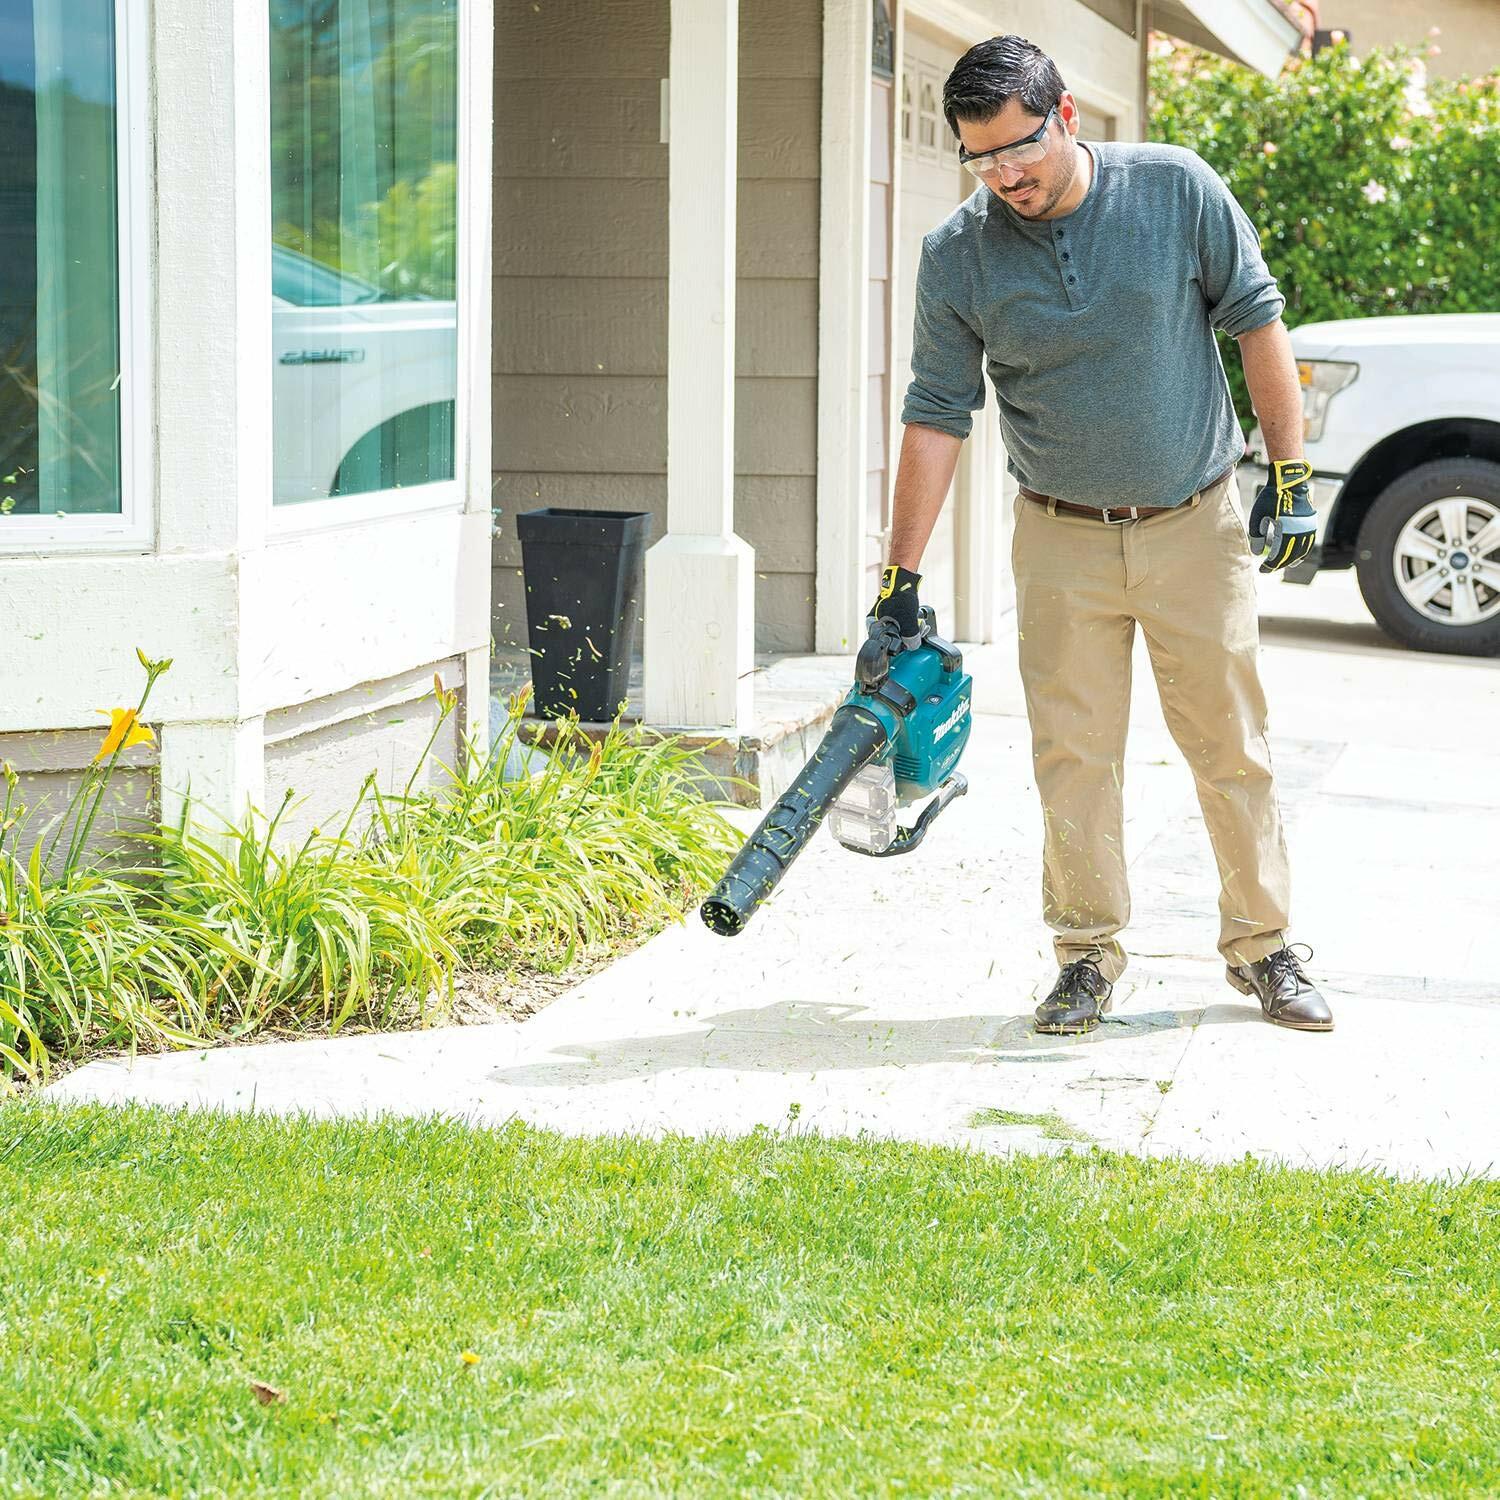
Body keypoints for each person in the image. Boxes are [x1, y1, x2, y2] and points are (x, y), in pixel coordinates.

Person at [872, 34, 1331, 1036]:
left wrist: (1290, 472)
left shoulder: (1174, 190)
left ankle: (1263, 946)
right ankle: (1085, 956)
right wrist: (897, 577)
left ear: (1066, 116)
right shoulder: (959, 256)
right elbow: (936, 412)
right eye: (982, 158)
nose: (1005, 176)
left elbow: (1257, 320)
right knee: (1073, 755)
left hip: (1191, 525)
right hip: (1061, 536)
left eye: (1019, 149)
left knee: (1230, 744)